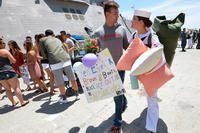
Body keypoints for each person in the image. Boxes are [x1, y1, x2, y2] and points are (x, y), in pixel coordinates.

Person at [90, 1, 129, 132]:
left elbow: (127, 48)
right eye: (115, 13)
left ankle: (117, 122)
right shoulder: (98, 32)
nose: (117, 15)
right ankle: (124, 101)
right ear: (107, 13)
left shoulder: (122, 29)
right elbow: (93, 52)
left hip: (120, 68)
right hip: (107, 70)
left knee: (117, 97)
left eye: (118, 13)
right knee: (117, 95)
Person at [130, 9, 164, 133]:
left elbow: (159, 50)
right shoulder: (134, 35)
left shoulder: (152, 36)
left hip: (151, 74)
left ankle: (151, 127)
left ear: (141, 22)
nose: (131, 20)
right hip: (140, 74)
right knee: (148, 95)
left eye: (134, 18)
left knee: (151, 100)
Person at [40, 29, 79, 103]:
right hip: (66, 59)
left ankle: (64, 98)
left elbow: (44, 53)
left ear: (45, 35)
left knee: (60, 82)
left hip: (55, 62)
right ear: (53, 34)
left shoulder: (42, 40)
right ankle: (77, 95)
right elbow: (63, 49)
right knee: (72, 78)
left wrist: (47, 59)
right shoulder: (57, 39)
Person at [0, 39, 29, 107]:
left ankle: (13, 103)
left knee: (7, 89)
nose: (4, 44)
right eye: (3, 43)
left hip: (0, 73)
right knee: (16, 87)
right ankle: (22, 102)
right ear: (0, 44)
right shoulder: (4, 51)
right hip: (8, 70)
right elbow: (13, 61)